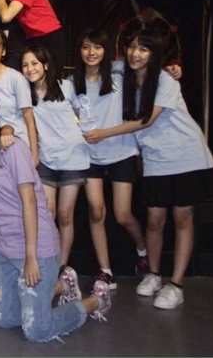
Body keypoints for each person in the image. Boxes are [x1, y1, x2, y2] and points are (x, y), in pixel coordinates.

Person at [0, 91, 111, 342]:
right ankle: (61, 285)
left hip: (35, 248)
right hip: (4, 250)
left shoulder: (12, 148)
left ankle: (96, 300)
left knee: (36, 330)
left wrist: (31, 256)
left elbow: (29, 202)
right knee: (4, 319)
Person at [119, 29, 213, 309]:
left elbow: (147, 120)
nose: (135, 54)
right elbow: (99, 64)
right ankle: (153, 274)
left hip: (185, 153)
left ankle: (176, 285)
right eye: (132, 47)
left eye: (143, 49)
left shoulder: (164, 80)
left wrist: (103, 134)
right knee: (154, 220)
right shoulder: (123, 77)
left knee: (182, 218)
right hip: (155, 158)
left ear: (154, 55)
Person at [70, 28, 148, 289]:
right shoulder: (71, 83)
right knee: (96, 210)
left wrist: (173, 68)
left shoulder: (119, 73)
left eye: (97, 46)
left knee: (123, 214)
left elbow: (145, 64)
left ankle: (142, 251)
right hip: (89, 155)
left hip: (121, 151)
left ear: (106, 50)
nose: (91, 52)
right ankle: (105, 271)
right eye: (85, 47)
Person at [20, 45, 89, 270]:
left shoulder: (66, 86)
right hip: (46, 160)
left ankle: (62, 266)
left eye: (34, 63)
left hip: (73, 159)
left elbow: (82, 113)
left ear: (46, 65)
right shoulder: (25, 94)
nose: (30, 69)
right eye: (25, 65)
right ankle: (48, 261)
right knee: (47, 214)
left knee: (65, 214)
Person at [0, 28, 38, 166]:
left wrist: (34, 156)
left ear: (3, 51)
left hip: (17, 143)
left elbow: (29, 120)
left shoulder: (15, 78)